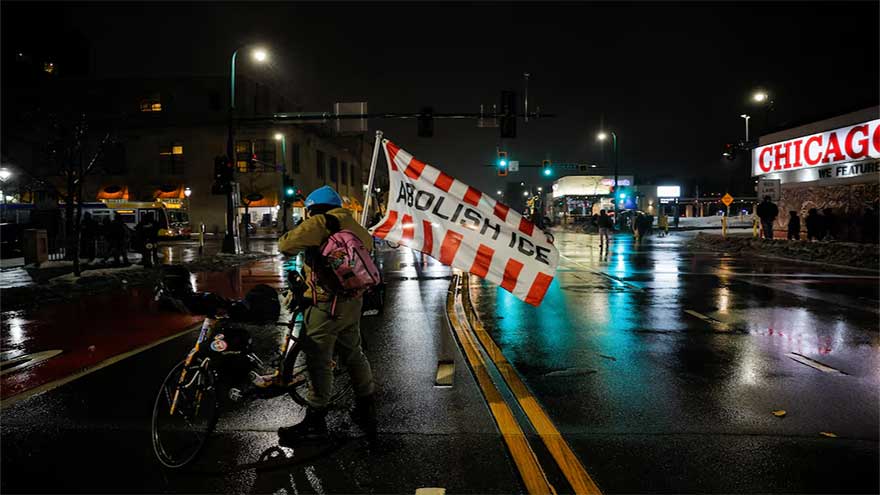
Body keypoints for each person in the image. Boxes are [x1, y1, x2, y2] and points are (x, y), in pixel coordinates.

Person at [276, 185, 376, 444]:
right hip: (353, 302)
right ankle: (366, 409)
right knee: (354, 354)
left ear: (314, 208)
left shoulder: (321, 222)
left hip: (325, 304)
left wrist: (305, 227)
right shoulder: (355, 225)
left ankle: (315, 421)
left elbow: (285, 244)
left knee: (318, 360)